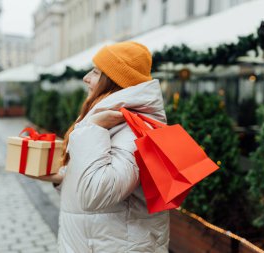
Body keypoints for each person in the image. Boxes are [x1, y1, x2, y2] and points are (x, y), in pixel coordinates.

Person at [28, 41, 170, 252]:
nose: (86, 77)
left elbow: (96, 194)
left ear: (113, 82)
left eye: (95, 72)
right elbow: (96, 175)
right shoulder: (110, 120)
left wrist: (92, 129)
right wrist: (63, 177)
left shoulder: (133, 130)